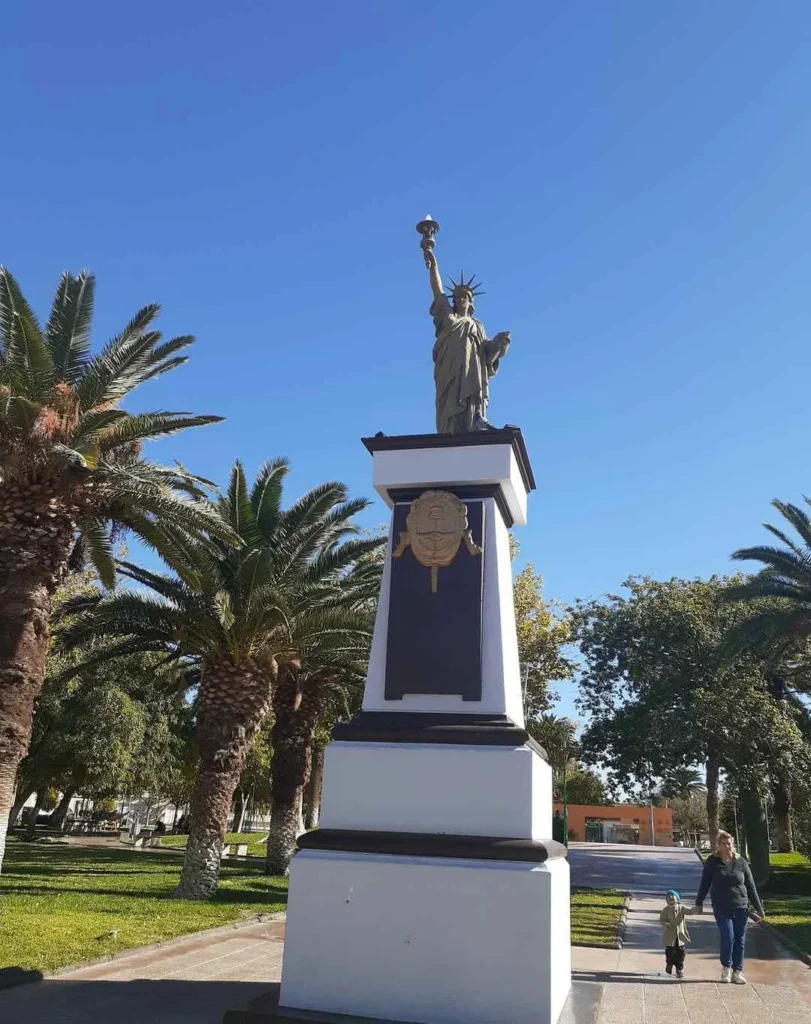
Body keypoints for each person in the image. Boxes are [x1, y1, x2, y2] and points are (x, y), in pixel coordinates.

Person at [423, 248, 511, 435]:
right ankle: (449, 431)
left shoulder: (477, 325)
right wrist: (432, 261)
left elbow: (486, 355)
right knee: (449, 403)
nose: (461, 299)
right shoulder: (449, 318)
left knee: (471, 408)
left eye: (466, 297)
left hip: (471, 374)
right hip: (449, 372)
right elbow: (438, 291)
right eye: (458, 297)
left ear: (471, 303)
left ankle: (474, 423)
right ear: (453, 301)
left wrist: (498, 346)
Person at [695, 829, 765, 984]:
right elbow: (705, 883)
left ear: (733, 845)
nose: (727, 846)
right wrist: (699, 903)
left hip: (741, 906)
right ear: (718, 845)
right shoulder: (713, 862)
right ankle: (726, 968)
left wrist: (759, 908)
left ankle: (737, 972)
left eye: (729, 844)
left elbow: (751, 886)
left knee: (740, 939)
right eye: (723, 844)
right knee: (728, 936)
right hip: (721, 907)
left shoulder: (741, 862)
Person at [659, 889, 696, 978]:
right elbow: (661, 920)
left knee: (681, 952)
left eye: (672, 895)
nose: (670, 897)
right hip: (670, 936)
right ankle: (669, 964)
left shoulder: (681, 908)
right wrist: (666, 925)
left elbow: (690, 911)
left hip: (680, 936)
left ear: (677, 898)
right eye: (668, 896)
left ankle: (679, 968)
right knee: (670, 952)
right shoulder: (666, 910)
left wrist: (697, 908)